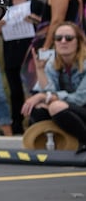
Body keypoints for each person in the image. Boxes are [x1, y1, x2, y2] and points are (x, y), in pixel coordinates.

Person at [21, 21, 86, 150]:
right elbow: (49, 92)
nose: (63, 41)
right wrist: (40, 71)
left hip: (82, 107)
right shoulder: (52, 63)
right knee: (38, 108)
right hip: (69, 109)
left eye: (68, 38)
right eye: (58, 38)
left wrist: (47, 97)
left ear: (78, 42)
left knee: (55, 106)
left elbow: (80, 99)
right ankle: (53, 142)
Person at [0, 0, 47, 129]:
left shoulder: (37, 5)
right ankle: (17, 125)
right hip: (11, 53)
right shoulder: (3, 7)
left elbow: (47, 28)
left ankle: (37, 122)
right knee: (15, 91)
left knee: (35, 88)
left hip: (30, 52)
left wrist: (36, 20)